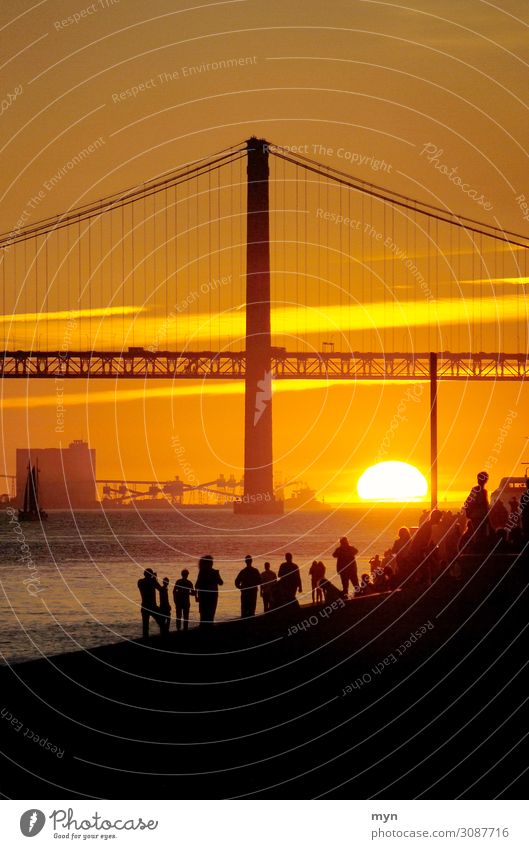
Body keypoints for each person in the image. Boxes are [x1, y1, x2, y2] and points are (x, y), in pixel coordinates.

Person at [195, 555, 223, 627]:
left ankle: (204, 629)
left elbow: (197, 585)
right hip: (212, 597)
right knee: (210, 614)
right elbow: (221, 583)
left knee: (204, 614)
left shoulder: (202, 572)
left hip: (204, 596)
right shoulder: (214, 572)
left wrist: (196, 596)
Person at [464, 471, 491, 547]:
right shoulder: (476, 490)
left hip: (480, 516)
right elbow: (468, 502)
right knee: (479, 535)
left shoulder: (482, 491)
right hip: (478, 516)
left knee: (481, 535)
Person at [137, 568, 161, 639]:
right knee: (161, 621)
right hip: (152, 606)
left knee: (145, 625)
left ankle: (145, 639)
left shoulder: (140, 581)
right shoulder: (152, 581)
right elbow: (160, 589)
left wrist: (153, 579)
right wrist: (155, 579)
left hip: (144, 605)